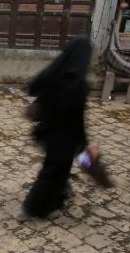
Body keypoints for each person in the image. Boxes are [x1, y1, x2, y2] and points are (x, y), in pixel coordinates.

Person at [20, 37, 94, 220]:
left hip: (47, 130)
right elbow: (77, 118)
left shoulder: (54, 72)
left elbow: (32, 87)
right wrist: (84, 143)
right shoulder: (77, 84)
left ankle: (53, 204)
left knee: (60, 171)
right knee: (53, 171)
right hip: (64, 136)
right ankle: (30, 209)